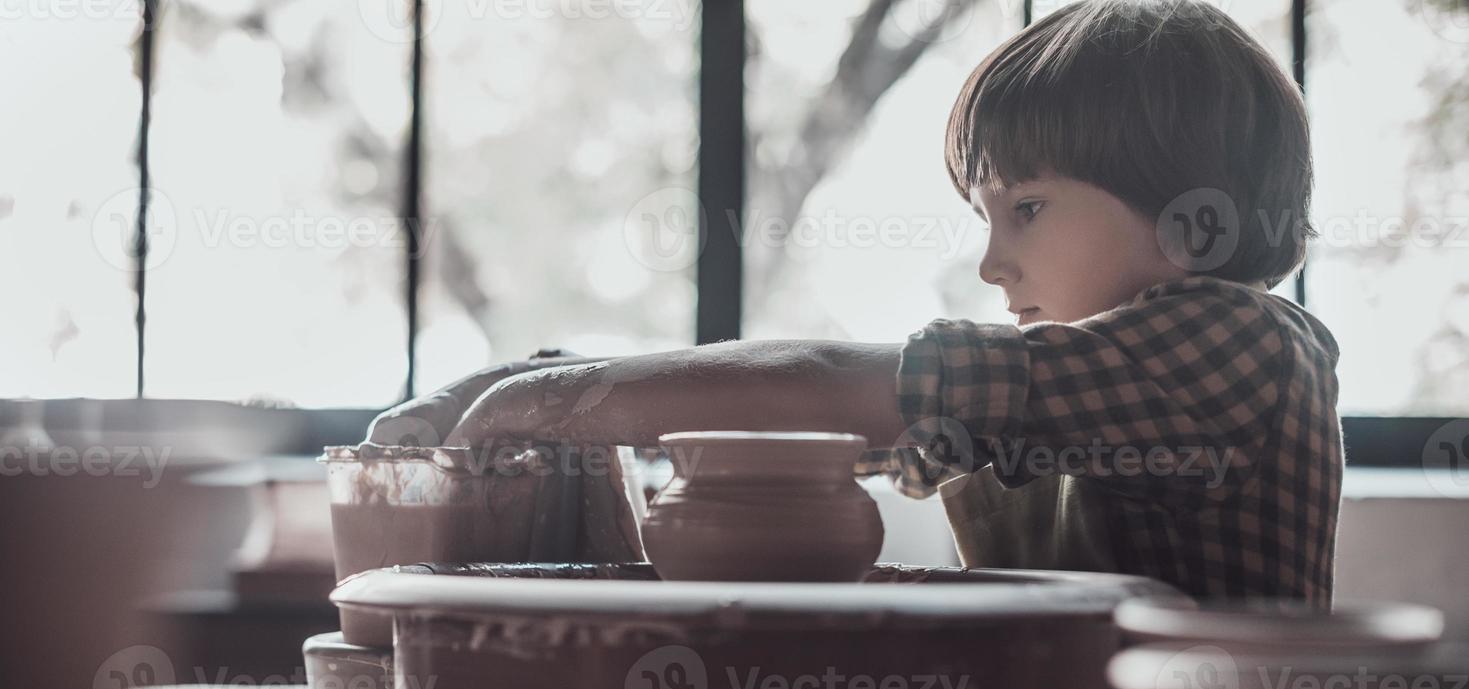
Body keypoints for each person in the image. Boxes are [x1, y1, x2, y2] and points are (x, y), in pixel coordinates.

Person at [377, 0, 1342, 605]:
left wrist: (537, 399)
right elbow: (792, 432)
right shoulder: (1050, 394)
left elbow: (839, 387)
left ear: (1198, 230)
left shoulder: (1241, 345)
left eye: (1029, 210)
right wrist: (536, 386)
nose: (991, 266)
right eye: (985, 216)